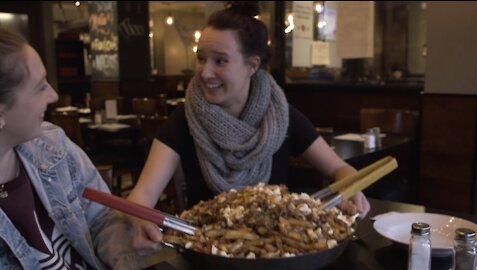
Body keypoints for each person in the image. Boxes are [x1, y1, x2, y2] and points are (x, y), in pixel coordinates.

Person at [127, 2, 370, 255]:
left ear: (252, 66)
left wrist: (351, 188)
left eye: (220, 61)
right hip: (207, 257)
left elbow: (339, 168)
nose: (205, 72)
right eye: (201, 58)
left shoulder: (279, 116)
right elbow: (142, 194)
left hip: (275, 256)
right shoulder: (184, 119)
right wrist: (139, 220)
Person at [0, 28, 146, 269]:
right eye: (40, 87)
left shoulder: (52, 145)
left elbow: (103, 218)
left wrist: (126, 257)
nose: (54, 95)